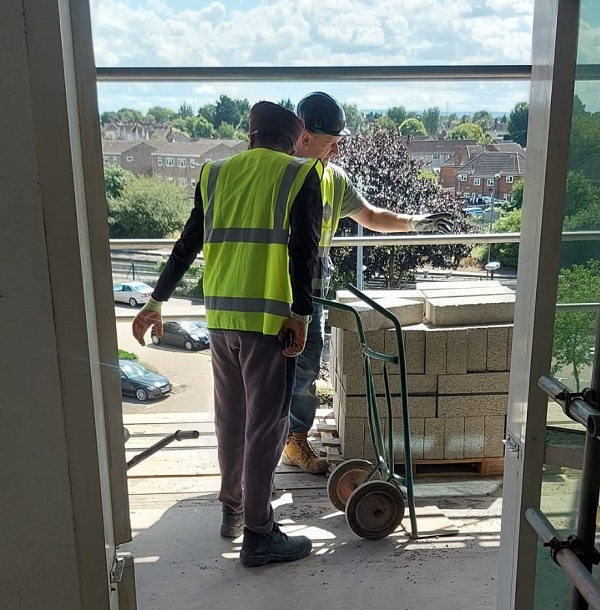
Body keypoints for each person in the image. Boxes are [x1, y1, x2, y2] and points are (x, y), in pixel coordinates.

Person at [132, 101, 324, 567]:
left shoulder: (215, 173)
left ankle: (232, 510)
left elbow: (188, 241)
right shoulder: (301, 174)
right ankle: (260, 535)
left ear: (251, 134)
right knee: (266, 426)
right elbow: (305, 252)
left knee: (230, 420)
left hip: (220, 320)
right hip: (270, 324)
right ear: (295, 139)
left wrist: (156, 302)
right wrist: (301, 314)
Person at [281, 92, 453, 475]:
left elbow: (371, 216)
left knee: (306, 367)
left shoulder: (333, 179)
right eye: (331, 142)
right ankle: (258, 448)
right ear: (305, 135)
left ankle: (294, 439)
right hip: (272, 291)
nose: (338, 150)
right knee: (266, 372)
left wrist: (413, 222)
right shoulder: (278, 174)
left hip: (312, 292)